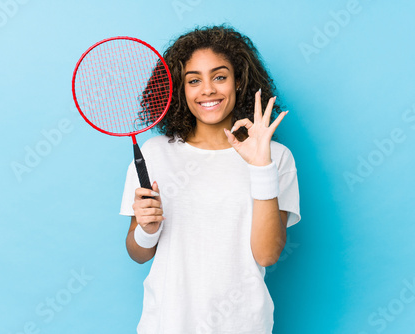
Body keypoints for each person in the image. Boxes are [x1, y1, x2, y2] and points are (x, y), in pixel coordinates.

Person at [120, 25, 301, 334]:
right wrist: (148, 230)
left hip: (243, 324)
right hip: (166, 323)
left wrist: (261, 167)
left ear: (239, 81)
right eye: (194, 80)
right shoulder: (154, 153)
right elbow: (138, 253)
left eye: (219, 76)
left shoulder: (275, 157)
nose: (207, 90)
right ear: (180, 89)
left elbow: (267, 254)